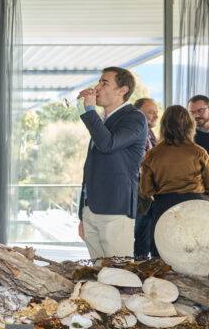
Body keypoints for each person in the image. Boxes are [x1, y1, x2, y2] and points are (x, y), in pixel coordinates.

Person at [77, 66, 147, 259]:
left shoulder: (135, 118)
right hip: (92, 209)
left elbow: (108, 144)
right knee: (100, 276)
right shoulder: (103, 121)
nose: (97, 87)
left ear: (123, 90)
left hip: (116, 209)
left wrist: (89, 109)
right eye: (99, 82)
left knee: (121, 276)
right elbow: (90, 169)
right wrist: (83, 214)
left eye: (104, 82)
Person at [139, 105, 209, 257]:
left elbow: (145, 190)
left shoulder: (153, 154)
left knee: (161, 254)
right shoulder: (199, 152)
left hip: (164, 206)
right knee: (196, 254)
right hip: (194, 205)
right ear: (189, 125)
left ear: (164, 126)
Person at [133, 98, 158, 257]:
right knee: (135, 245)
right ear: (138, 114)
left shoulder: (151, 136)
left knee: (145, 244)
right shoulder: (133, 134)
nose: (156, 115)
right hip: (136, 197)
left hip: (150, 197)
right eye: (151, 112)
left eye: (156, 112)